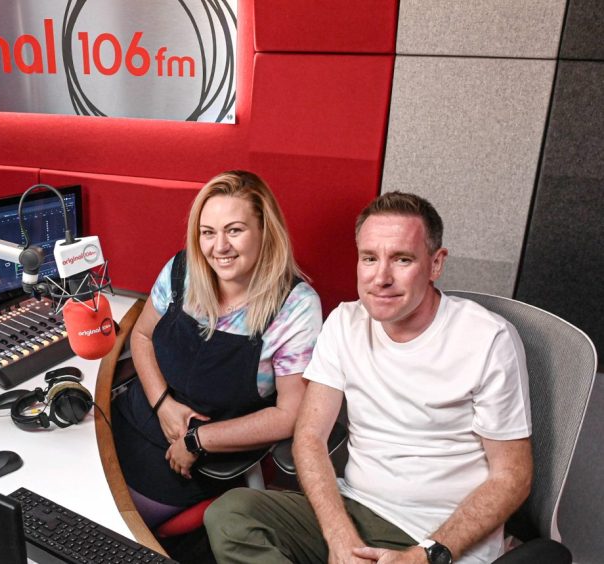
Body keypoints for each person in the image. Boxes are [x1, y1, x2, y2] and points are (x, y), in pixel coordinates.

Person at [205, 191, 533, 564]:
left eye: (402, 259)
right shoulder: (345, 322)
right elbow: (310, 437)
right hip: (356, 508)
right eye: (369, 258)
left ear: (436, 263)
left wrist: (425, 555)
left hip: (437, 536)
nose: (381, 278)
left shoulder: (488, 339)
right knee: (231, 515)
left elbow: (513, 476)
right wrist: (339, 535)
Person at [111, 170, 323, 528]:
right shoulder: (183, 270)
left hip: (194, 458)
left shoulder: (295, 307)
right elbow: (143, 337)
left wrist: (197, 440)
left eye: (234, 230)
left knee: (103, 525)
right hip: (138, 414)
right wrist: (163, 404)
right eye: (208, 233)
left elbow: (291, 415)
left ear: (265, 232)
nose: (219, 247)